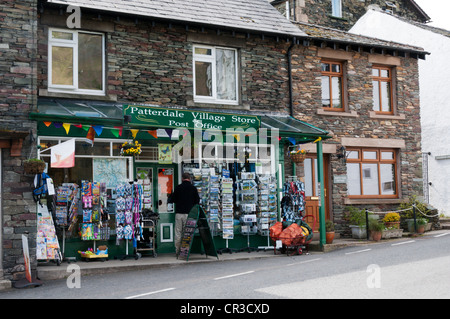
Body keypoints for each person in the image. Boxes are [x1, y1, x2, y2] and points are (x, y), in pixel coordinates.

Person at [169, 172, 200, 256]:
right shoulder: (193, 188)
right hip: (189, 214)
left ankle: (178, 251)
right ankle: (185, 251)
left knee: (178, 233)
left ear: (182, 178)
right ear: (189, 179)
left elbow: (173, 200)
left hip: (179, 213)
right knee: (187, 233)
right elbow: (197, 201)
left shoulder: (178, 188)